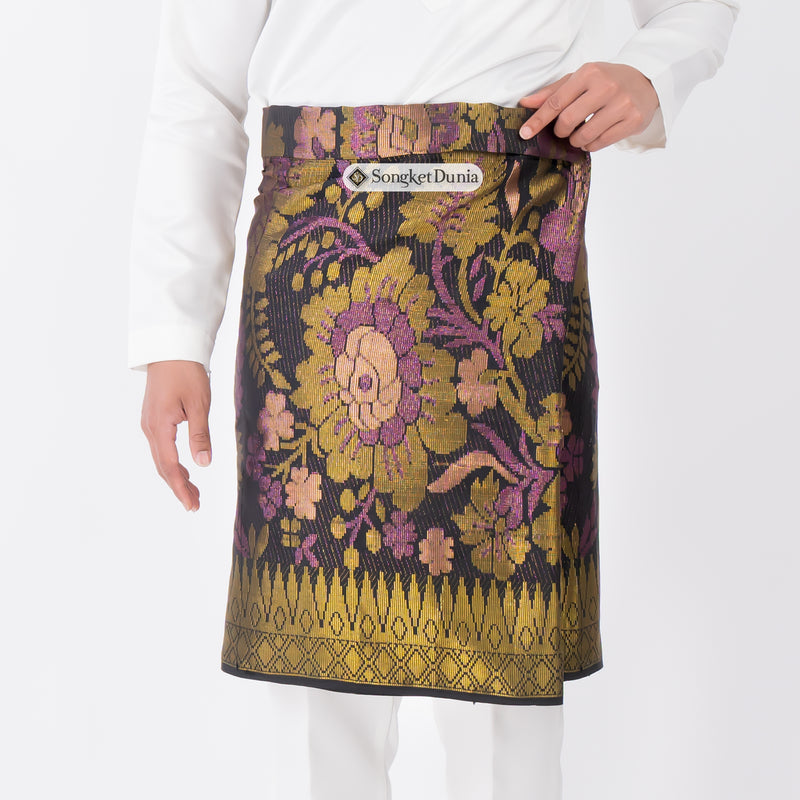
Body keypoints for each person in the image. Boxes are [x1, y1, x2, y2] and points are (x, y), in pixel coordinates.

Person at [128, 2, 740, 798]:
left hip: (510, 258)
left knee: (506, 687)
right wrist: (174, 331)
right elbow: (199, 84)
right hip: (318, 257)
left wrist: (653, 70)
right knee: (316, 680)